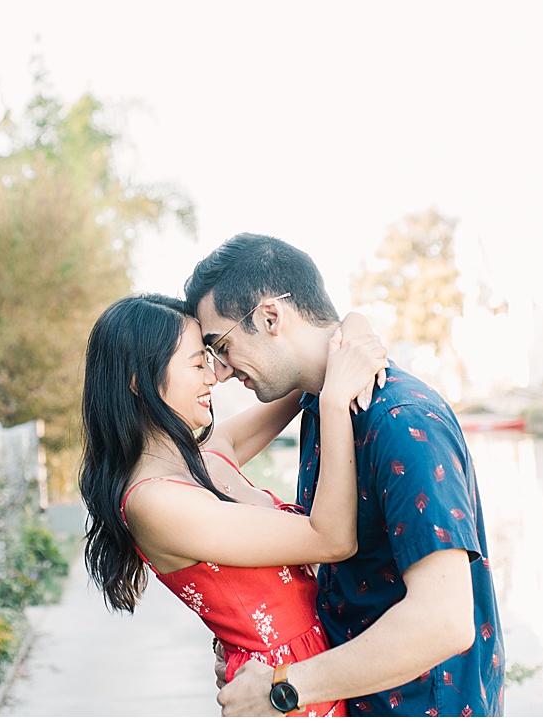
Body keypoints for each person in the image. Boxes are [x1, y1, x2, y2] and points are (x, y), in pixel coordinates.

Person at [184, 233, 505, 717]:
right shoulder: (324, 405)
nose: (223, 372)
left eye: (222, 346)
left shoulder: (400, 419)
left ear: (271, 317)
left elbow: (444, 620)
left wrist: (281, 687)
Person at [79, 293, 389, 717]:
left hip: (314, 669)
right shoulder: (154, 501)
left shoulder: (207, 455)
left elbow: (300, 376)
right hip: (280, 693)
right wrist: (335, 401)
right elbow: (331, 538)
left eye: (213, 358)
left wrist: (354, 325)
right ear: (140, 379)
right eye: (197, 362)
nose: (215, 377)